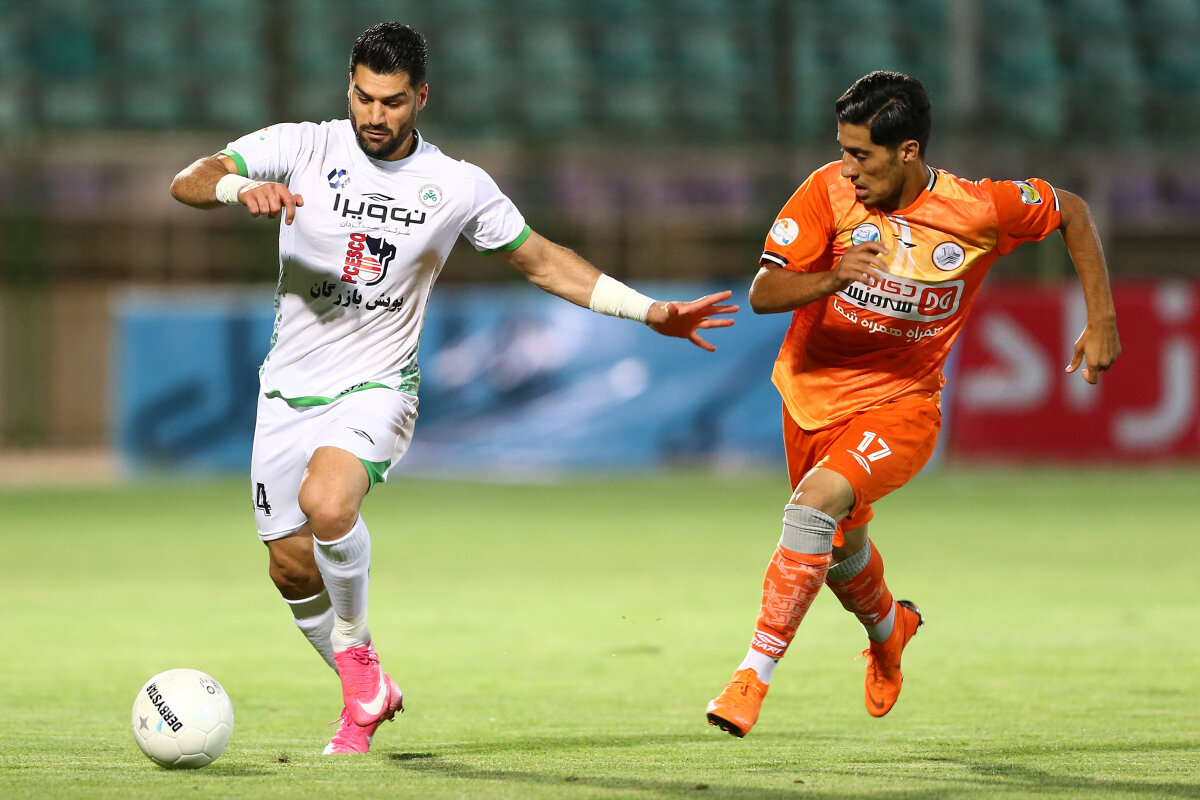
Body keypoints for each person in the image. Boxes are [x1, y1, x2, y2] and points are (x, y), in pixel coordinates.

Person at [170, 22, 737, 755]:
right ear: (349, 88)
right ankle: (364, 690)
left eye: (393, 102)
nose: (375, 115)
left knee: (327, 503)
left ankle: (357, 656)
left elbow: (542, 261)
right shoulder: (302, 145)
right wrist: (240, 186)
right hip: (285, 392)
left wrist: (649, 310)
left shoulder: (457, 186)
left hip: (378, 386)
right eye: (364, 97)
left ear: (422, 98)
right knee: (288, 566)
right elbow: (190, 179)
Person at [705, 70, 1120, 737]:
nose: (848, 169)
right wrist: (832, 276)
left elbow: (1069, 208)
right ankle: (888, 630)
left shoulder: (977, 210)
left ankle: (752, 675)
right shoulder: (826, 193)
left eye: (860, 155)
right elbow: (763, 293)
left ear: (907, 151)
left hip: (903, 406)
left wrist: (1101, 318)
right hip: (810, 398)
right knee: (838, 552)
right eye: (842, 151)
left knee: (810, 510)